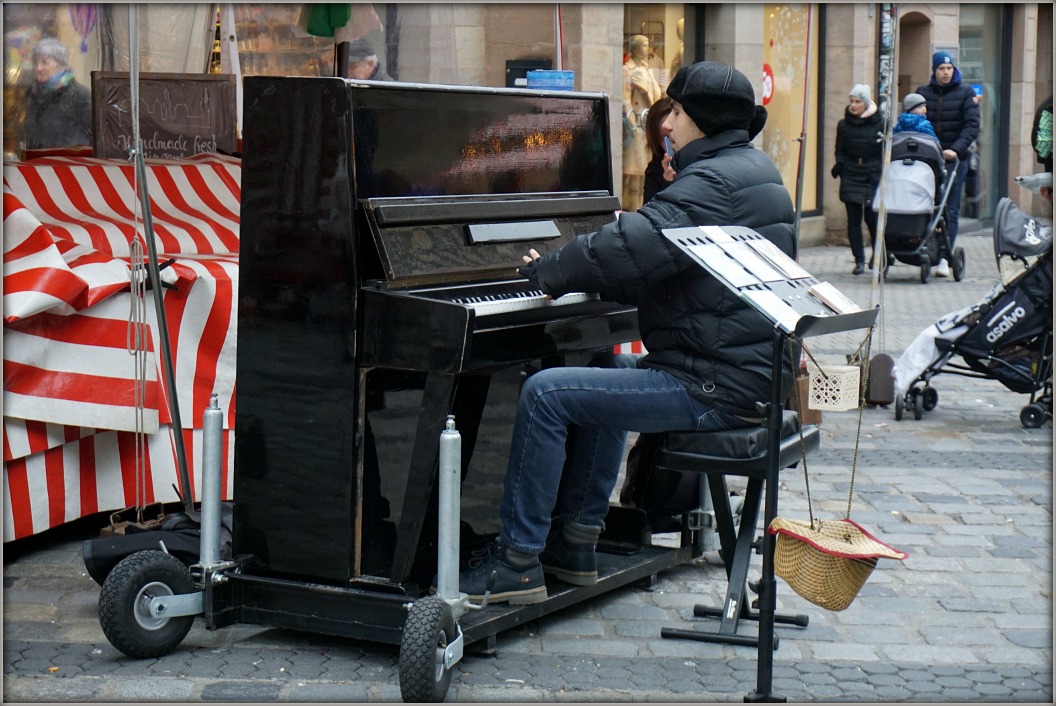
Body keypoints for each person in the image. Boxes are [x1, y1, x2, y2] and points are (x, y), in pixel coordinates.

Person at [454, 60, 797, 604]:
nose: (667, 123)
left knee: (545, 392)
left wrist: (552, 271)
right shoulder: (753, 170)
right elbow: (674, 269)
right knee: (603, 370)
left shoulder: (710, 184)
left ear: (700, 119)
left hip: (711, 386)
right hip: (732, 375)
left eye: (677, 112)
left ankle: (517, 562)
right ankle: (577, 542)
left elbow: (630, 244)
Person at [916, 51, 980, 277]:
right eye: (941, 69)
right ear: (934, 71)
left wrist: (956, 149)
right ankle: (926, 250)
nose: (946, 72)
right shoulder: (923, 93)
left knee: (950, 209)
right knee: (927, 206)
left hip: (955, 159)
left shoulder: (965, 93)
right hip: (929, 160)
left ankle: (944, 258)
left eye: (949, 68)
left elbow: (972, 125)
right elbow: (917, 121)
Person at [832, 83, 883, 275]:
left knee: (871, 215)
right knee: (853, 219)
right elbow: (839, 149)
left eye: (857, 101)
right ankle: (859, 260)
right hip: (851, 172)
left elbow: (884, 151)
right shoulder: (843, 125)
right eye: (851, 101)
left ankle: (877, 255)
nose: (853, 105)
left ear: (866, 103)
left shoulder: (880, 122)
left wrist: (878, 172)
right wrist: (841, 165)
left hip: (871, 172)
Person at [24, 37, 92, 150]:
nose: (38, 68)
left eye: (45, 62)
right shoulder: (33, 94)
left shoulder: (80, 96)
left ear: (62, 66)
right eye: (35, 63)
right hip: (37, 162)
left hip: (70, 164)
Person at [621, 34, 662, 211]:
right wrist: (632, 125)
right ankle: (628, 209)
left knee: (643, 174)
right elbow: (625, 100)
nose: (648, 49)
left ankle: (640, 208)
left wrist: (645, 92)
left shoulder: (647, 70)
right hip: (636, 126)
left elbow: (657, 96)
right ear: (635, 48)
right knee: (632, 175)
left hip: (647, 125)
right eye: (644, 45)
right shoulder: (626, 70)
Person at [641, 96, 676, 203]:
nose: (669, 145)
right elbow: (648, 212)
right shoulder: (655, 169)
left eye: (670, 136)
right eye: (663, 139)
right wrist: (668, 183)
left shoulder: (702, 160)